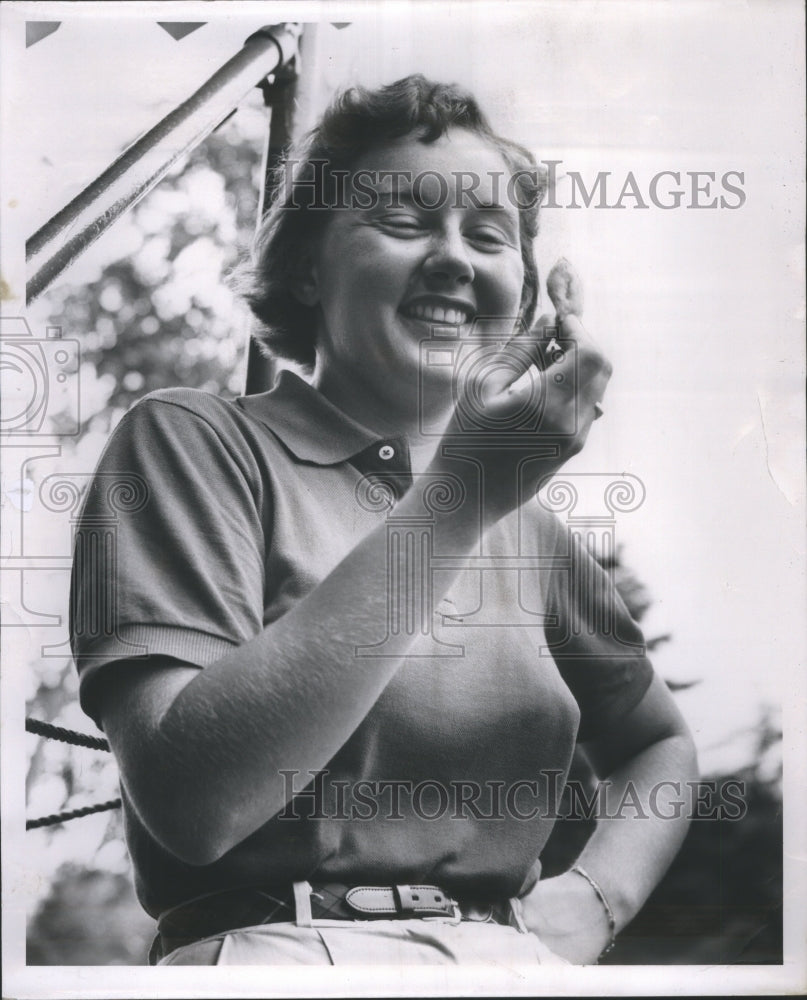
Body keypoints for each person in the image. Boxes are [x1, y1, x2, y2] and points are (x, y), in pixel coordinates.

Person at [70, 75, 697, 967]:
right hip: (273, 953)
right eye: (403, 222)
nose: (453, 258)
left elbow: (659, 743)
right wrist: (456, 504)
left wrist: (599, 897)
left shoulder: (530, 533)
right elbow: (195, 803)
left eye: (488, 236)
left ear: (523, 294)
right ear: (305, 266)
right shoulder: (197, 443)